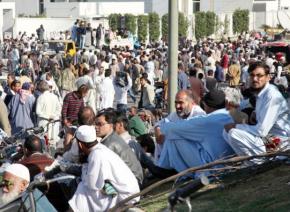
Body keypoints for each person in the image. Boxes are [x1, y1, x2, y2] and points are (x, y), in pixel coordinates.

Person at [157, 90, 234, 177]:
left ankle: (163, 169)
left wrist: (160, 126)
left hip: (212, 167)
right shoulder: (229, 115)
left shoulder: (207, 120)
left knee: (173, 137)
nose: (177, 106)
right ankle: (163, 168)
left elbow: (171, 129)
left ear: (206, 105)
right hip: (227, 162)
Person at [224, 62, 290, 163]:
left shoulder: (271, 95)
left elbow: (261, 131)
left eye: (259, 75)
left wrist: (236, 126)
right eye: (252, 75)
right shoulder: (262, 92)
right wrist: (254, 112)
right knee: (226, 131)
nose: (255, 79)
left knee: (233, 133)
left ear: (268, 77)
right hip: (268, 138)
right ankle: (250, 162)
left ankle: (258, 164)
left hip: (281, 143)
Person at [69, 125, 140, 211]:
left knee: (82, 189)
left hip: (126, 197)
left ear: (80, 144)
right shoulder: (99, 149)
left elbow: (92, 185)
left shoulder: (96, 154)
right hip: (124, 192)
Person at [154, 90, 205, 159]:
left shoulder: (199, 115)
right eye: (176, 103)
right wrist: (158, 130)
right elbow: (160, 124)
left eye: (181, 103)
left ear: (191, 103)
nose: (177, 106)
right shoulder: (177, 114)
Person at [96, 110, 144, 184]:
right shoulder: (113, 137)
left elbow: (100, 170)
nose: (96, 127)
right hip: (134, 179)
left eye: (100, 124)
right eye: (95, 124)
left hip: (131, 182)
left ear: (111, 125)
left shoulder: (110, 144)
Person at [36, 80, 61, 149]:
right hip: (54, 122)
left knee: (44, 143)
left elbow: (38, 112)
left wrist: (48, 117)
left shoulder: (41, 97)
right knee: (53, 143)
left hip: (44, 123)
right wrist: (53, 116)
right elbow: (59, 109)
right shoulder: (54, 96)